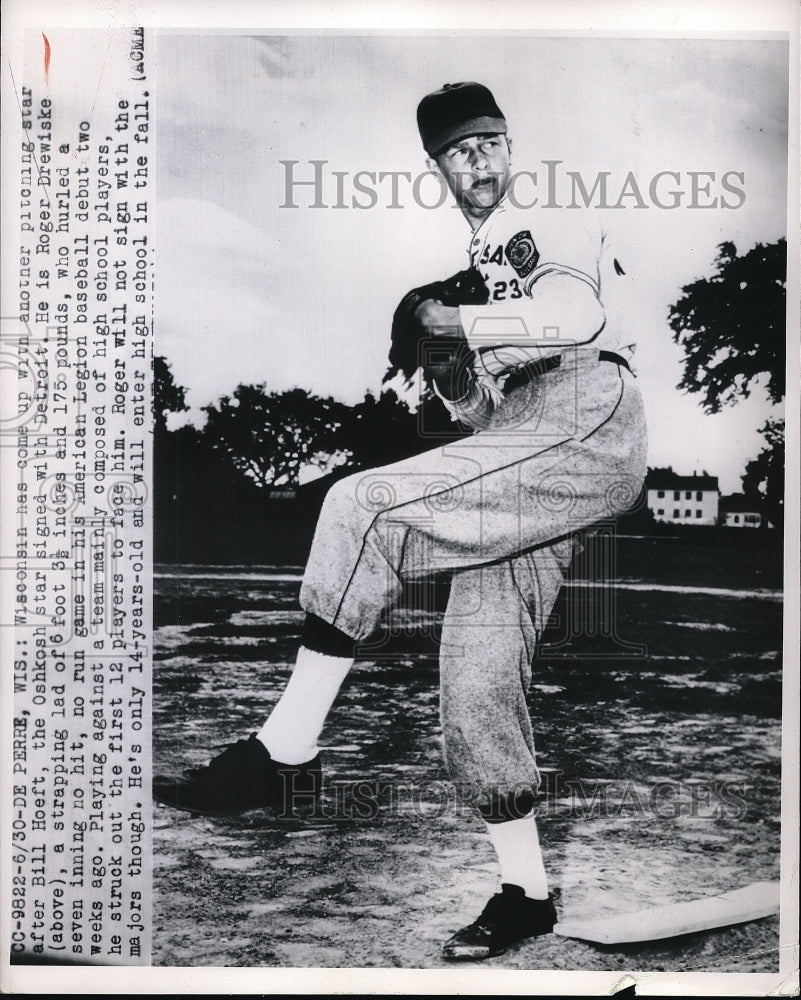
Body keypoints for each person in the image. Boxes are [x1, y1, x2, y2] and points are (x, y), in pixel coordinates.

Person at [153, 81, 648, 961]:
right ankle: (524, 892)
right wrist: (444, 358)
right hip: (523, 444)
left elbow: (580, 316)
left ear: (510, 143)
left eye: (492, 142)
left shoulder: (542, 214)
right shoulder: (482, 253)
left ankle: (286, 750)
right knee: (474, 674)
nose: (481, 162)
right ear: (439, 168)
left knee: (361, 503)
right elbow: (479, 418)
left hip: (584, 415)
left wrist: (446, 314)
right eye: (461, 152)